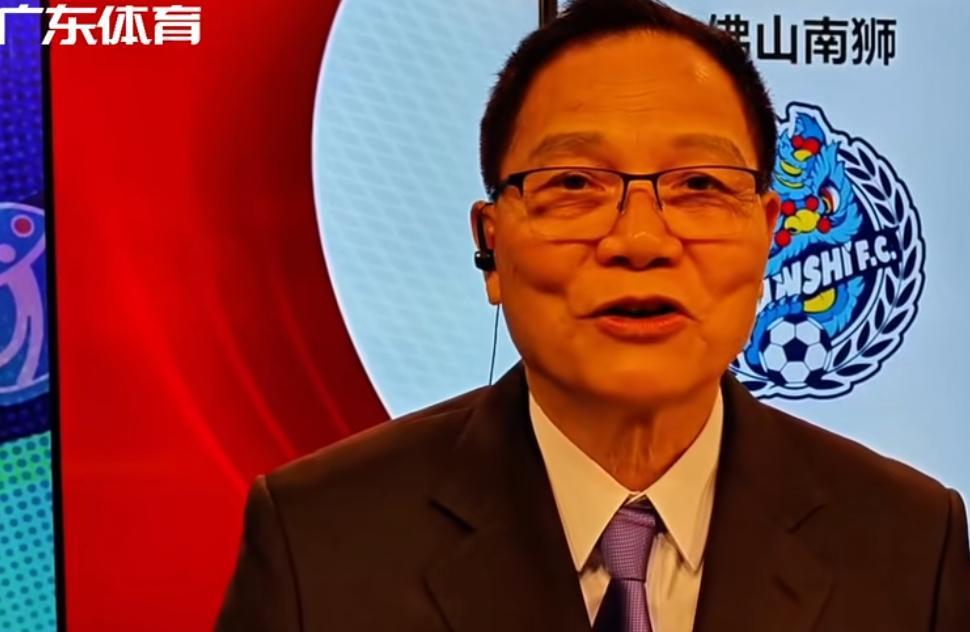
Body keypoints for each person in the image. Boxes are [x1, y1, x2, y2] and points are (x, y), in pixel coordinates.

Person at [215, 1, 970, 630]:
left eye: (700, 185)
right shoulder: (319, 540)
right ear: (490, 245)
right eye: (574, 183)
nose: (640, 241)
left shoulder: (909, 541)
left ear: (768, 234)